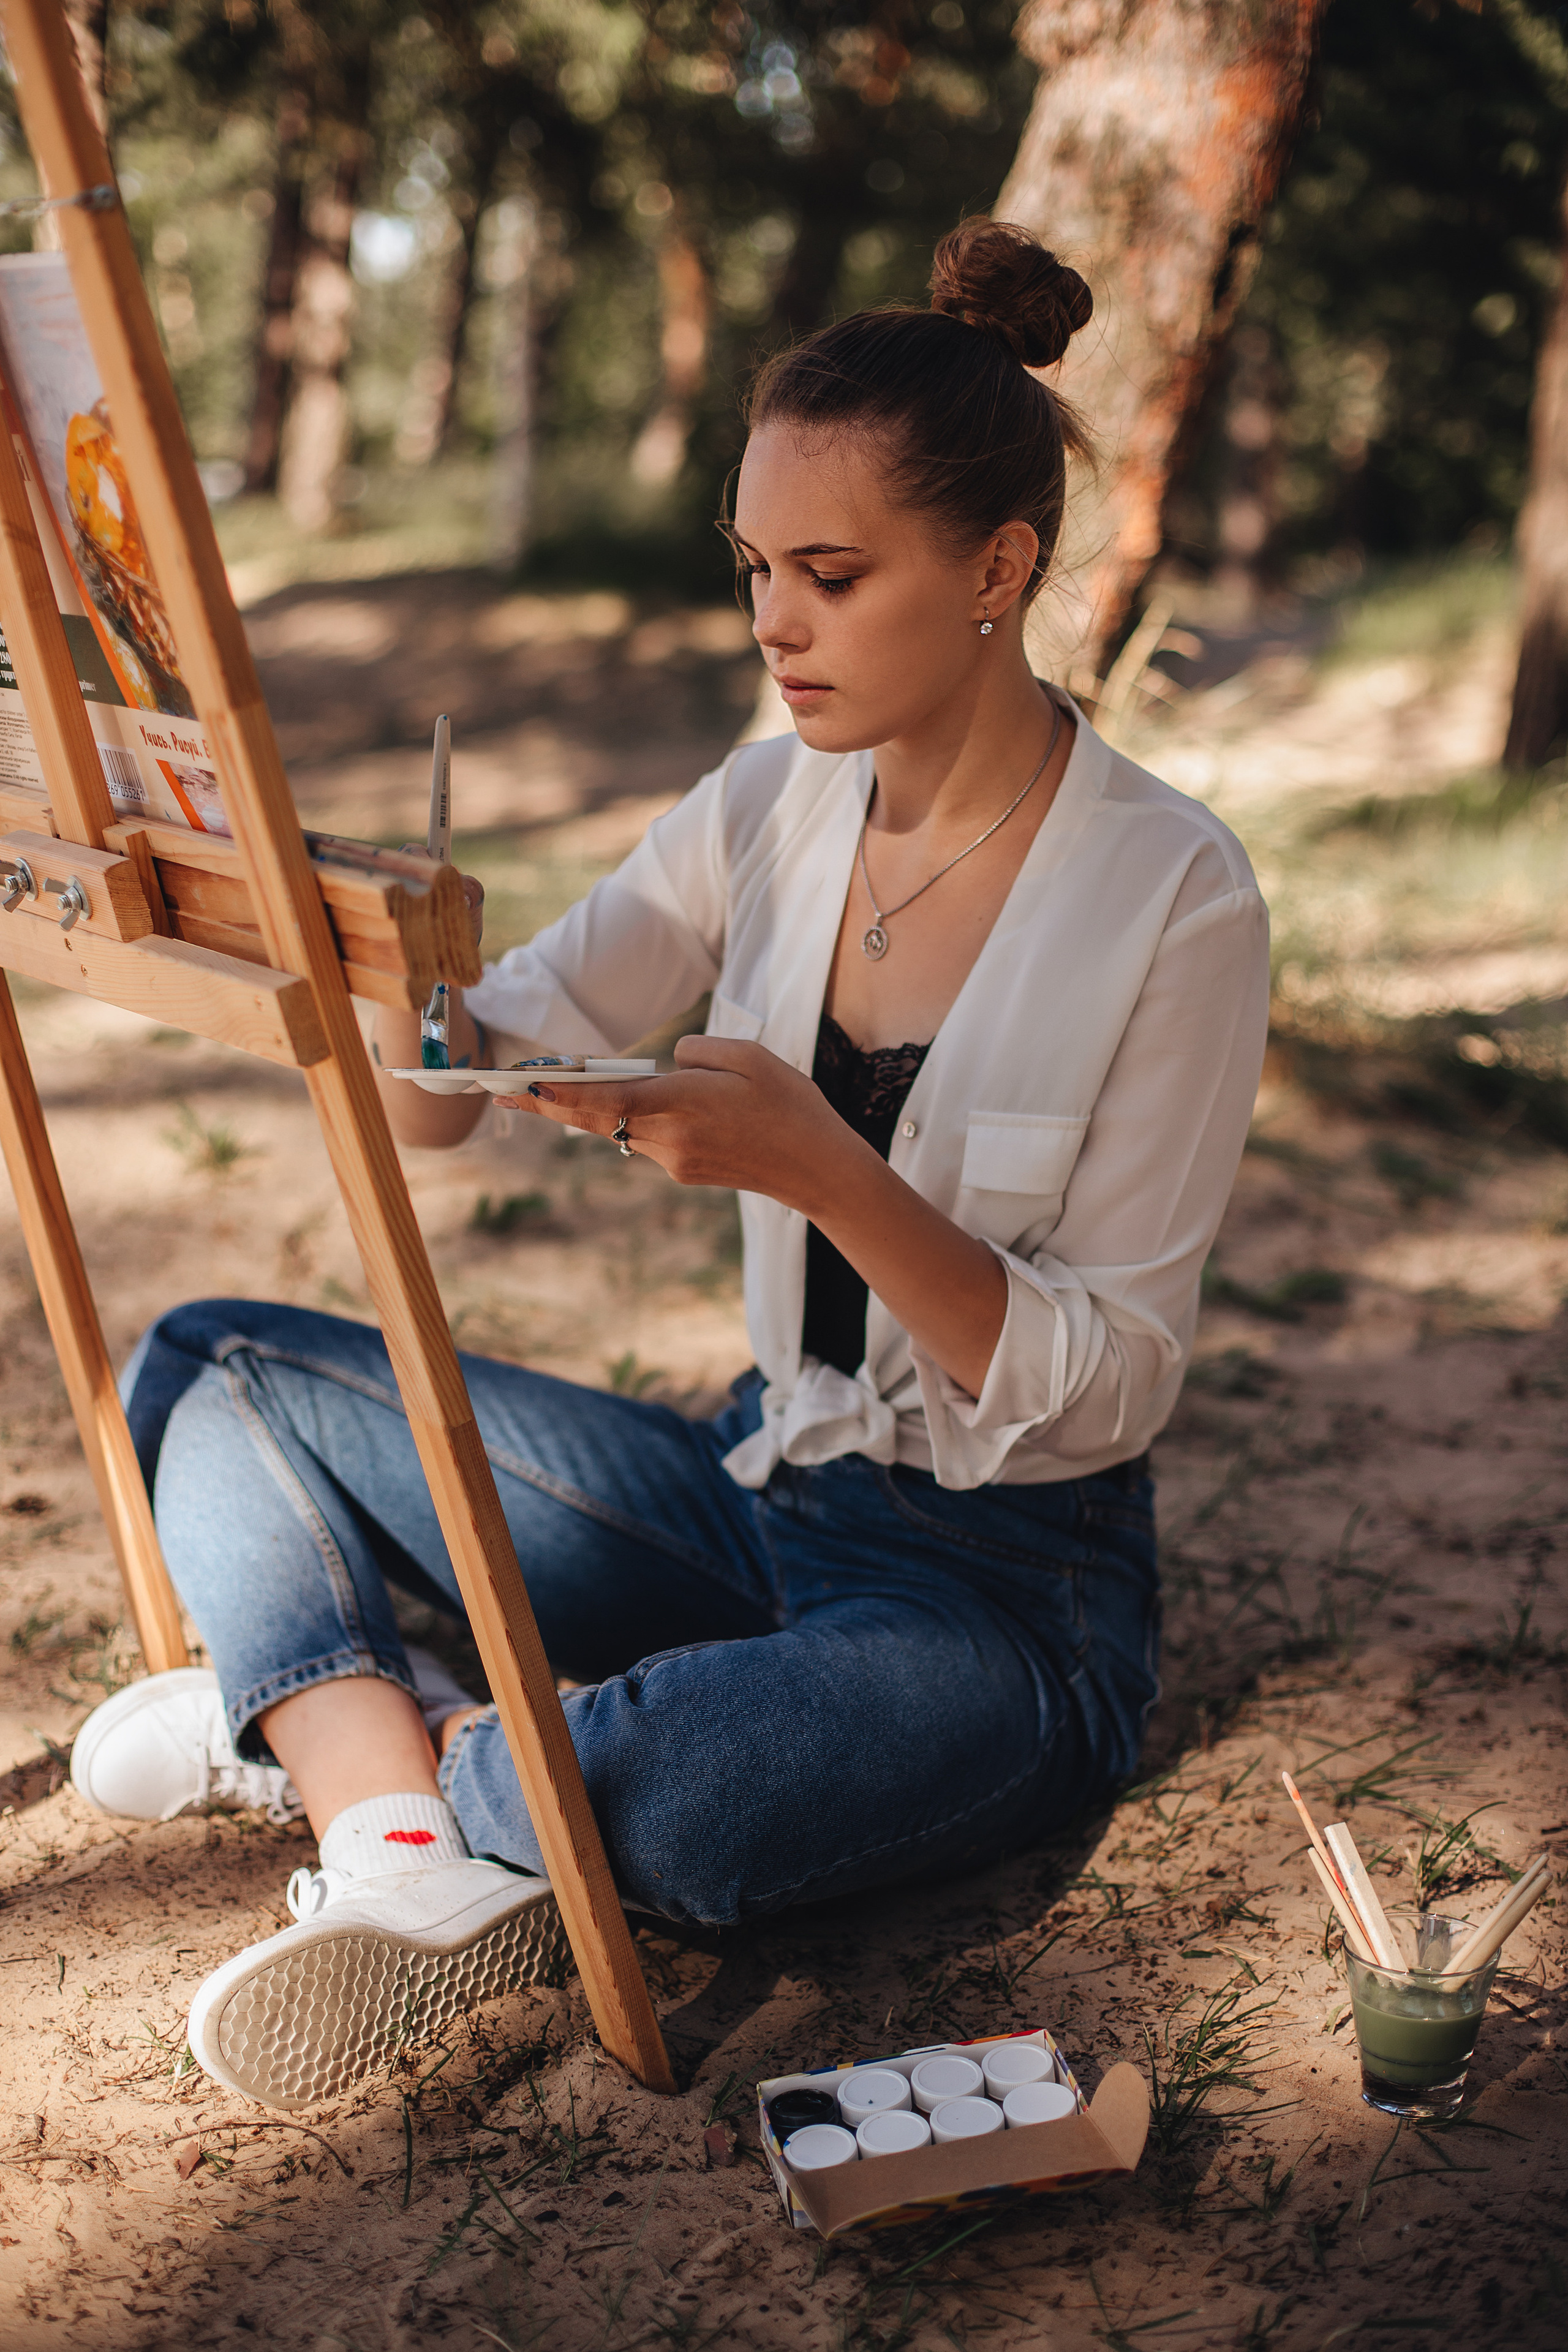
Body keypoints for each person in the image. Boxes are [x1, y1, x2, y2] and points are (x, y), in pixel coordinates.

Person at [68, 221, 1268, 2112]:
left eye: (828, 574)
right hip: (759, 1479)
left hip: (1002, 1592)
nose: (771, 625)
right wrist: (400, 986)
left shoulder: (1173, 894)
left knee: (704, 1794)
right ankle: (412, 1832)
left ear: (998, 569)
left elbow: (1112, 1381)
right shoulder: (773, 795)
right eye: (753, 571)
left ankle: (339, 1749)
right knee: (212, 1367)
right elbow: (477, 1073)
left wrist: (819, 1168)